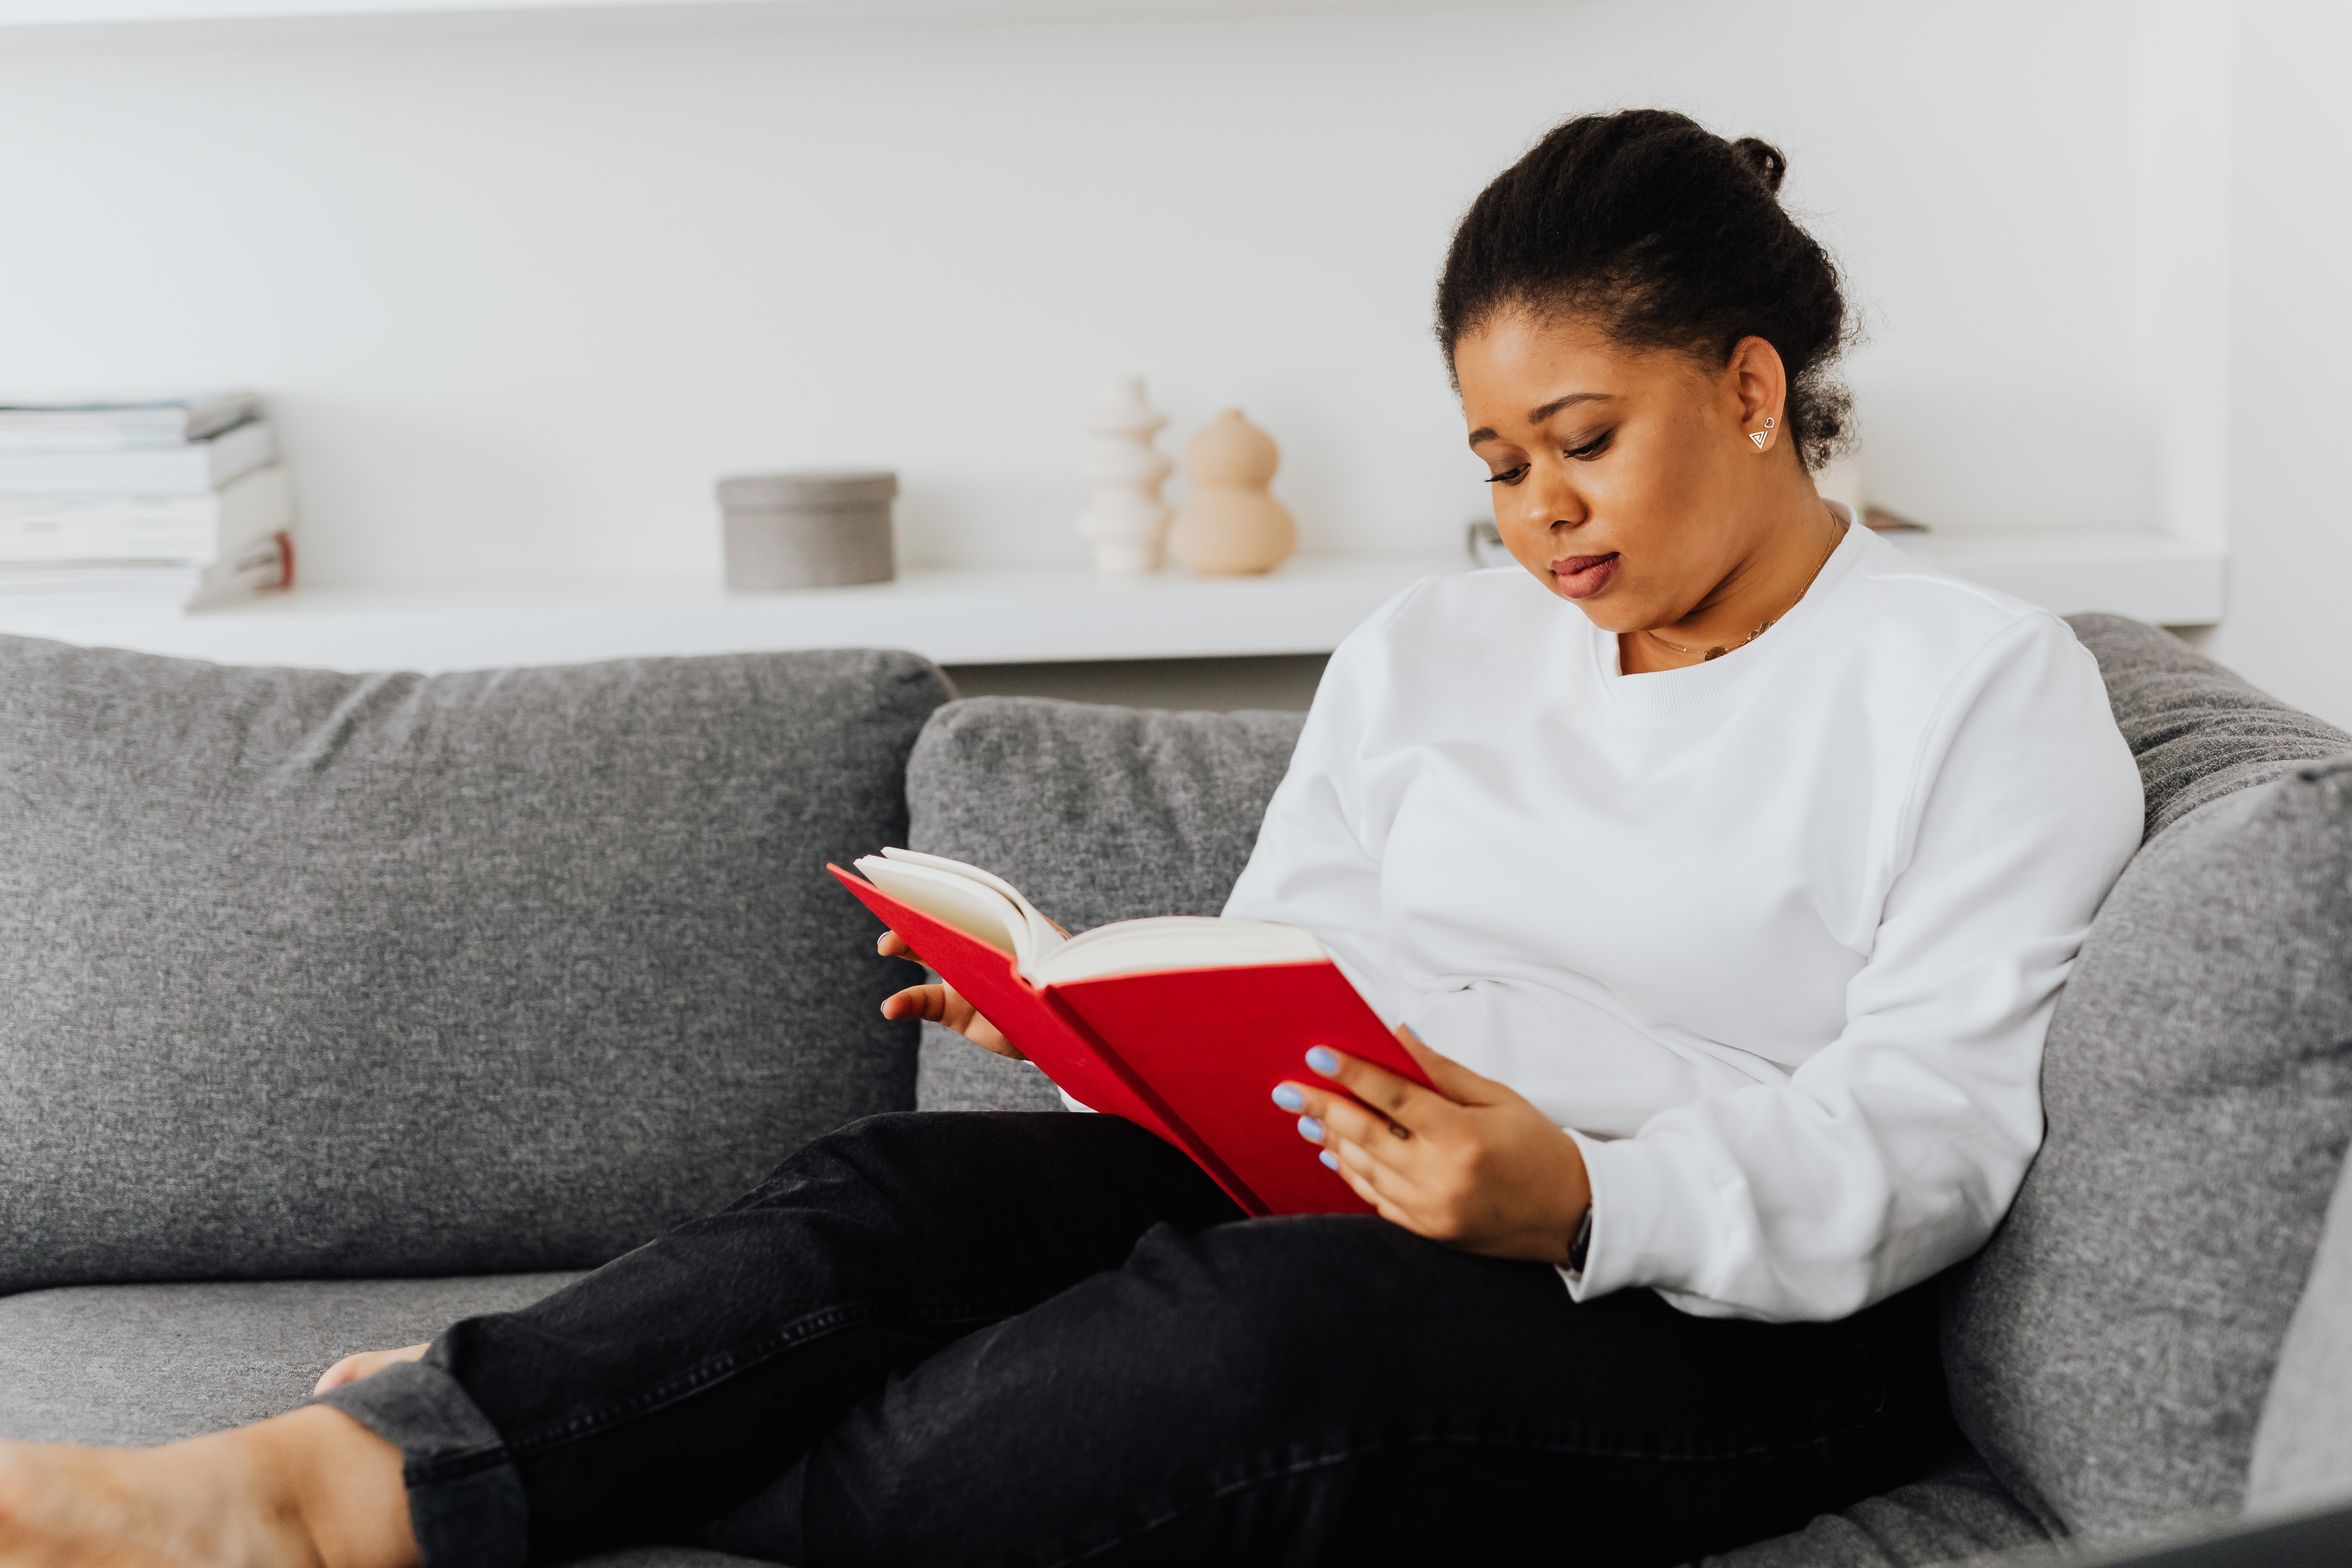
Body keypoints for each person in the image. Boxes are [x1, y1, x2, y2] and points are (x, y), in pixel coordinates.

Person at [0, 108, 2142, 1568]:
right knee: (892, 1192)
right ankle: (318, 1474)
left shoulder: (1970, 682)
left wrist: (1587, 1183)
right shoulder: (1437, 648)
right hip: (1348, 1186)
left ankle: (521, 1450)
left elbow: (1935, 1132)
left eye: (1582, 443)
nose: (1534, 514)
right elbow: (1295, 953)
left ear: (1753, 390)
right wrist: (1106, 1030)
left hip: (1714, 1315)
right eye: (1494, 461)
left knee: (1241, 1352)